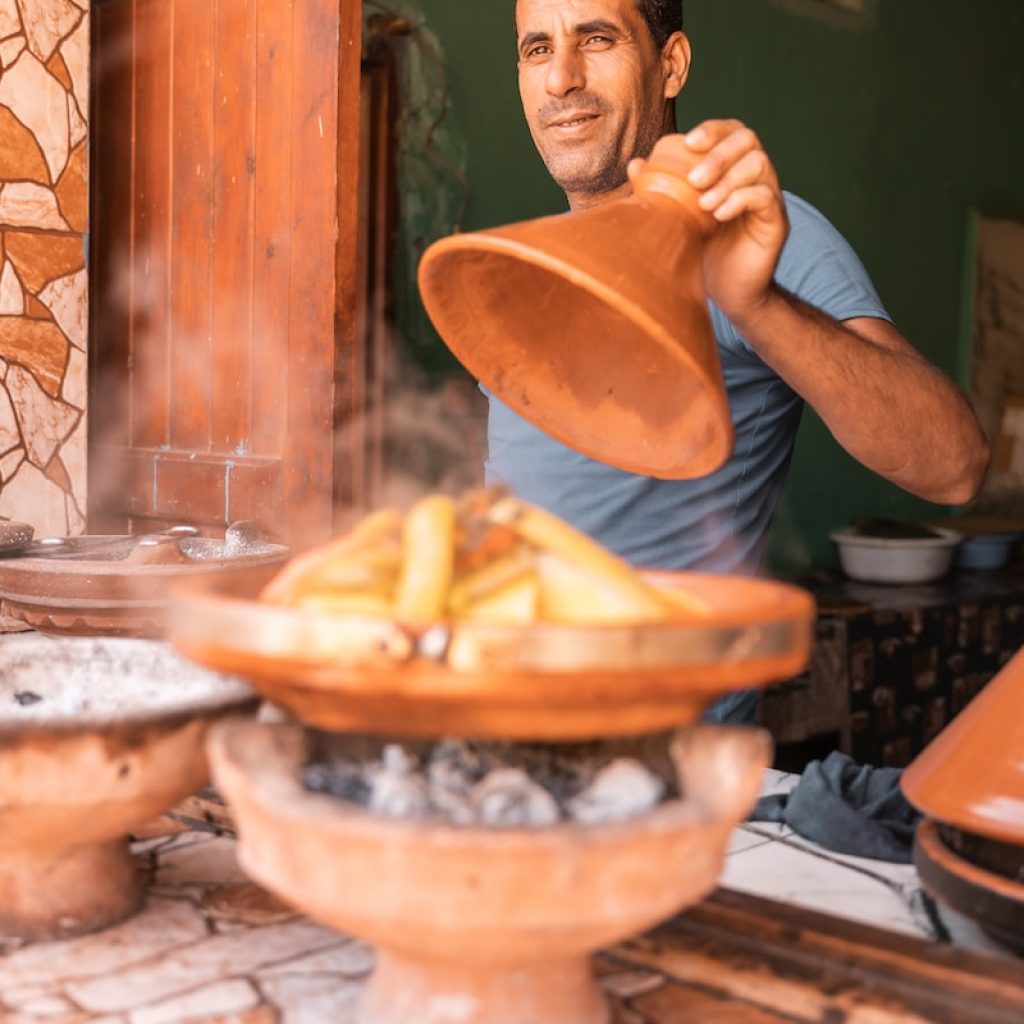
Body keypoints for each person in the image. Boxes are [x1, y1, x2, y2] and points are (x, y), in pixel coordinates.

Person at [481, 0, 990, 723]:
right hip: (495, 740)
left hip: (667, 768)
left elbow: (955, 465)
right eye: (537, 49)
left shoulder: (752, 231)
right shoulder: (516, 268)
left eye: (596, 39)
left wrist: (755, 303)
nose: (562, 78)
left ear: (671, 65)